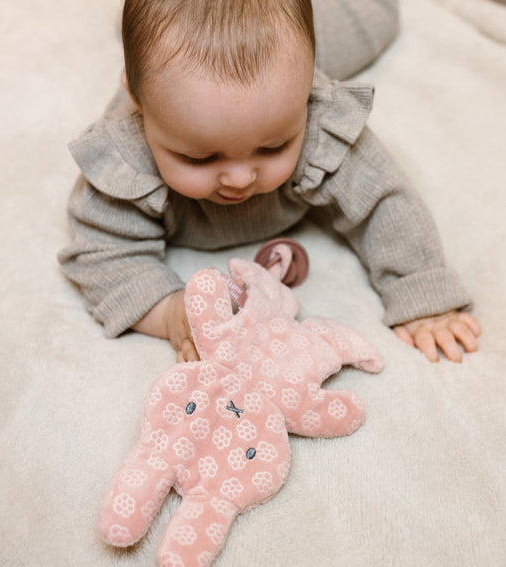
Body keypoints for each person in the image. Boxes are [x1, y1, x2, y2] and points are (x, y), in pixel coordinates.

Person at [58, 0, 481, 364]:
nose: (240, 179)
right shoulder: (126, 160)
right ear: (138, 102)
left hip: (298, 47)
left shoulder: (315, 121)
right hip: (186, 80)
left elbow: (383, 200)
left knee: (376, 16)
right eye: (200, 157)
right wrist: (169, 313)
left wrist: (420, 290)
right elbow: (102, 255)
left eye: (273, 147)